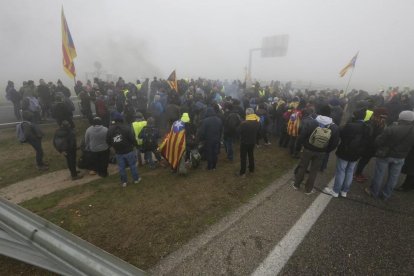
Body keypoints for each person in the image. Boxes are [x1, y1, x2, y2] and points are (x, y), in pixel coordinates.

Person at [365, 111, 414, 200]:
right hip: (401, 157)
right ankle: (386, 195)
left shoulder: (392, 128)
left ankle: (373, 192)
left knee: (379, 174)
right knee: (393, 177)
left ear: (401, 118)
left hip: (386, 155)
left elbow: (378, 141)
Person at [293, 105, 340, 195]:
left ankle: (296, 184)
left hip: (308, 149)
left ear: (319, 112)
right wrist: (326, 150)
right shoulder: (334, 127)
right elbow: (334, 143)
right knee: (314, 171)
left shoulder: (312, 122)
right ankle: (308, 189)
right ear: (330, 114)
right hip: (321, 152)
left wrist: (301, 146)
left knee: (303, 167)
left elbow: (302, 136)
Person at [324, 108, 370, 197]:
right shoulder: (368, 127)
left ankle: (335, 191)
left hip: (345, 151)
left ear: (356, 117)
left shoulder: (350, 125)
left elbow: (341, 134)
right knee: (350, 171)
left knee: (341, 171)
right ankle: (344, 191)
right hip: (357, 153)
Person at [106, 113, 141, 187]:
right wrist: (136, 145)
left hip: (118, 152)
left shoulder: (110, 129)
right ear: (122, 119)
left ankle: (124, 182)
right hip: (128, 150)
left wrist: (113, 146)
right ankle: (136, 179)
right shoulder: (126, 128)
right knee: (132, 165)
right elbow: (132, 139)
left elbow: (108, 141)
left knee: (121, 167)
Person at [239, 108, 260, 177]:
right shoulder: (257, 122)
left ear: (247, 114)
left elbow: (240, 132)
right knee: (251, 155)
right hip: (252, 141)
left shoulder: (244, 123)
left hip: (244, 142)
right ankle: (251, 169)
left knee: (243, 157)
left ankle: (243, 172)